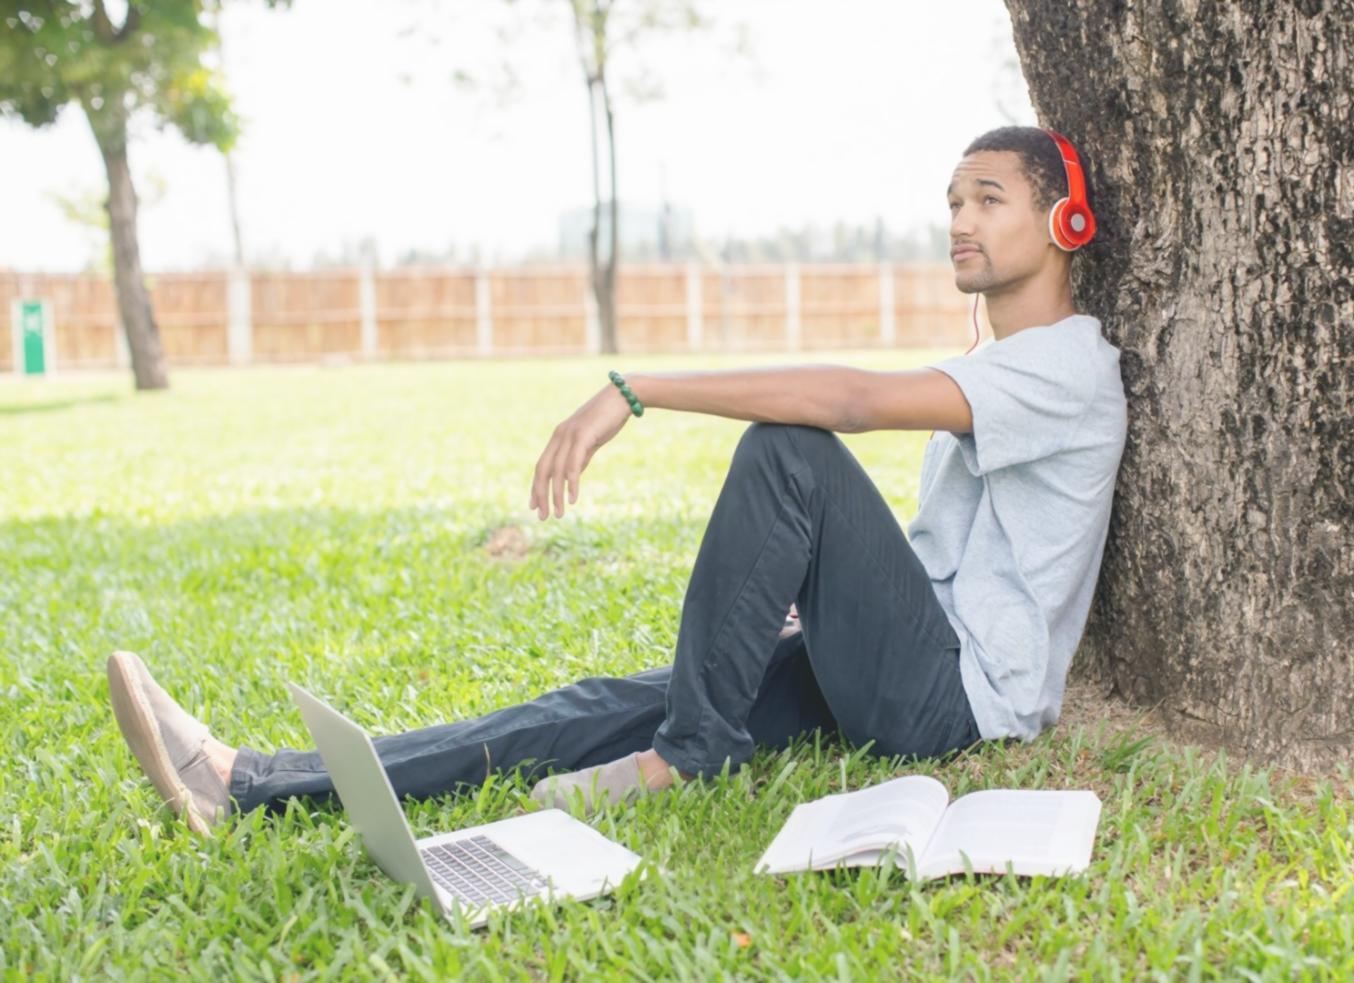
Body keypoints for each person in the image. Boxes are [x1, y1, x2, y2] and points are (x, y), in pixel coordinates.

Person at [107, 126, 1127, 837]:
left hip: (951, 702)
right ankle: (247, 782)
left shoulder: (1069, 368)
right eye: (952, 199)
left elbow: (851, 400)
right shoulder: (997, 368)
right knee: (587, 705)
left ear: (1064, 221)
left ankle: (686, 756)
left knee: (790, 450)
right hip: (890, 661)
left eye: (988, 198)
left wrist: (638, 389)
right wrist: (811, 612)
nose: (959, 218)